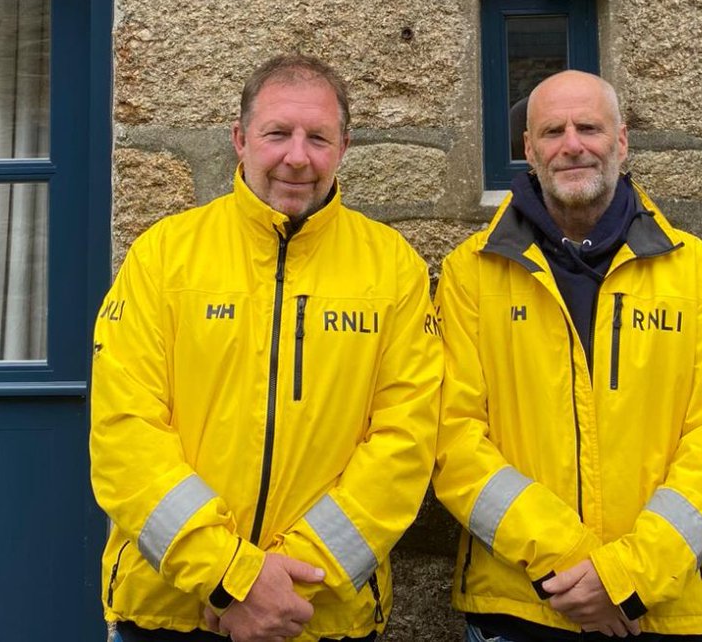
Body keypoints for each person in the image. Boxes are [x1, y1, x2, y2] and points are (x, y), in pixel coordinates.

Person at [90, 54, 443, 642]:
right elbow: (124, 433)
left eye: (318, 138)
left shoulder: (393, 269)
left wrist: (287, 583)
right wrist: (230, 576)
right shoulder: (162, 256)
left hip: (320, 617)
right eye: (277, 133)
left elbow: (405, 444)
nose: (297, 157)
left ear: (345, 146)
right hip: (172, 610)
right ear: (240, 139)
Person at [434, 70, 702, 641]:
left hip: (664, 605)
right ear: (528, 150)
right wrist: (573, 563)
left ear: (622, 140)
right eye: (552, 131)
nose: (572, 145)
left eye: (589, 127)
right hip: (521, 606)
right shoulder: (470, 274)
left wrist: (624, 575)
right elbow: (452, 440)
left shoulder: (700, 275)